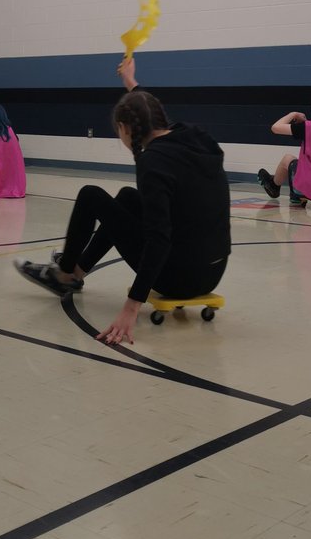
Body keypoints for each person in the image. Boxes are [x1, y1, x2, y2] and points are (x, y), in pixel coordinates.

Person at [15, 56, 230, 346]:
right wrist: (131, 84)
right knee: (128, 198)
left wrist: (131, 306)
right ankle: (76, 272)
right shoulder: (195, 136)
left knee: (91, 195)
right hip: (213, 272)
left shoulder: (153, 163)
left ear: (127, 129)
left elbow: (159, 239)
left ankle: (65, 275)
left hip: (178, 279)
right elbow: (153, 110)